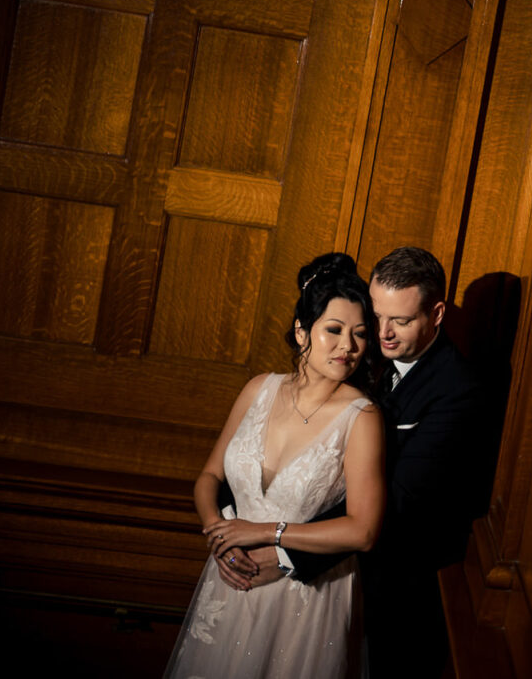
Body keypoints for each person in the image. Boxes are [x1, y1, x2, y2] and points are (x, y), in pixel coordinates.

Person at [247, 245, 489, 679]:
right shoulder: (362, 352)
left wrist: (286, 555)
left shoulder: (458, 392)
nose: (383, 332)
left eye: (401, 320)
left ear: (435, 315)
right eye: (376, 316)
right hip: (319, 566)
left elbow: (399, 501)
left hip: (390, 593)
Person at [164, 253, 386, 679]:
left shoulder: (363, 418)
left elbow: (364, 530)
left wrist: (266, 532)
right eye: (334, 331)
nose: (348, 347)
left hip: (304, 597)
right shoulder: (258, 389)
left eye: (360, 335)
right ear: (302, 332)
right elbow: (209, 477)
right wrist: (220, 538)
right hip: (230, 576)